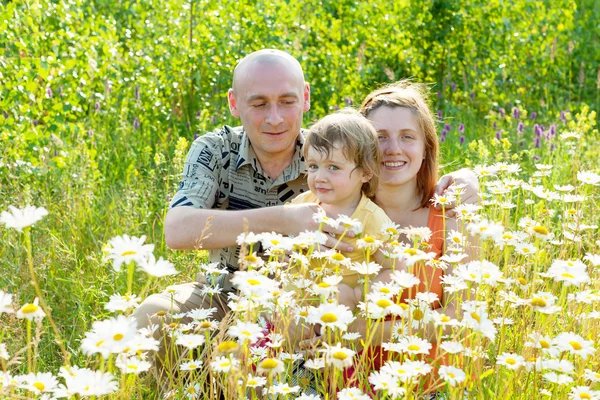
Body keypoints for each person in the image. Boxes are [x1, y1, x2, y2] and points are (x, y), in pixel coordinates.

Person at [133, 49, 478, 381]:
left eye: (286, 101)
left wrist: (467, 180)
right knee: (162, 325)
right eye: (259, 103)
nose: (275, 118)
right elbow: (177, 230)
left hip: (333, 326)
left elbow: (461, 314)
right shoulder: (228, 153)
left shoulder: (336, 155)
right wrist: (287, 220)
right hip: (246, 303)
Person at [290, 110, 393, 312]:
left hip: (340, 310)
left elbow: (392, 267)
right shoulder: (303, 204)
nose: (319, 177)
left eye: (333, 167)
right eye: (313, 166)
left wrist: (359, 296)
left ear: (365, 173)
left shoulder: (370, 217)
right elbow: (284, 238)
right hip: (297, 304)